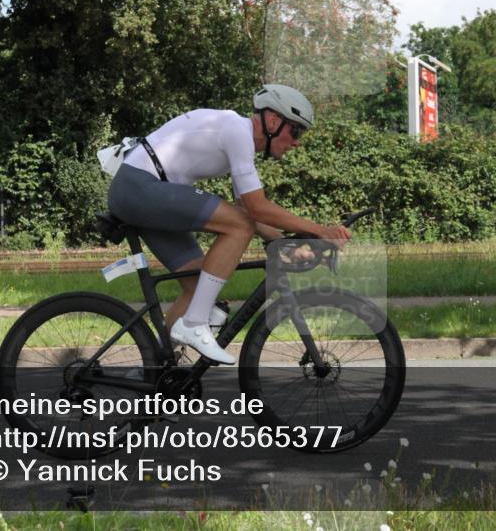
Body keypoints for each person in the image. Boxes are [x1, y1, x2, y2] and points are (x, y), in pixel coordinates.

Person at [107, 84, 351, 364]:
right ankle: (194, 324)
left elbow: (249, 209)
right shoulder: (237, 131)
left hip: (145, 192)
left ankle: (159, 369)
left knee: (198, 286)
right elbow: (255, 210)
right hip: (139, 187)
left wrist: (285, 244)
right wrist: (321, 230)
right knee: (238, 228)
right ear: (273, 121)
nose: (297, 142)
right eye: (295, 131)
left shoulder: (238, 138)